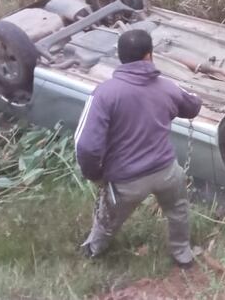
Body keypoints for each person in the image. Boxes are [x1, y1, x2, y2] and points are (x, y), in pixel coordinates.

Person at [75, 29, 202, 269]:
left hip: (126, 181)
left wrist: (95, 175)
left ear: (120, 57)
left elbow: (86, 145)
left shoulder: (105, 94)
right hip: (166, 171)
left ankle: (94, 249)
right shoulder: (166, 87)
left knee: (107, 219)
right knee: (178, 210)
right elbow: (193, 106)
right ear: (149, 56)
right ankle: (182, 254)